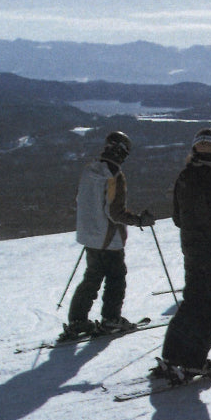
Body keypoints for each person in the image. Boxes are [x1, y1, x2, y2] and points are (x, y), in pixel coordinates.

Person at [156, 127, 211, 382]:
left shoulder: (184, 178)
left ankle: (171, 358)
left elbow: (176, 218)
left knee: (191, 304)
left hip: (193, 253)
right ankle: (193, 363)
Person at [63, 131, 155, 339]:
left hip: (89, 235)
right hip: (108, 238)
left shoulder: (90, 170)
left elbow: (83, 200)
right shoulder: (115, 176)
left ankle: (78, 320)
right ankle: (111, 318)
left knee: (92, 277)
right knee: (116, 278)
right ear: (122, 152)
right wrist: (139, 220)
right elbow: (115, 212)